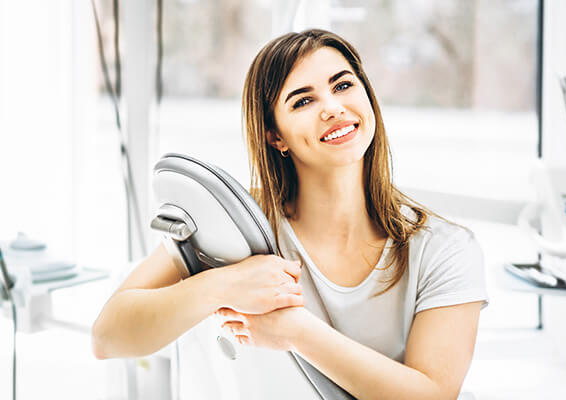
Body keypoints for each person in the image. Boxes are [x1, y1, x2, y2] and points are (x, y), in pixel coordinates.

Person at [92, 29, 488, 400]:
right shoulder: (234, 222)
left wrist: (296, 331)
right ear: (275, 135)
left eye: (343, 85)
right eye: (303, 100)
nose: (333, 108)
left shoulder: (444, 247)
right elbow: (108, 337)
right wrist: (223, 285)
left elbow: (432, 394)